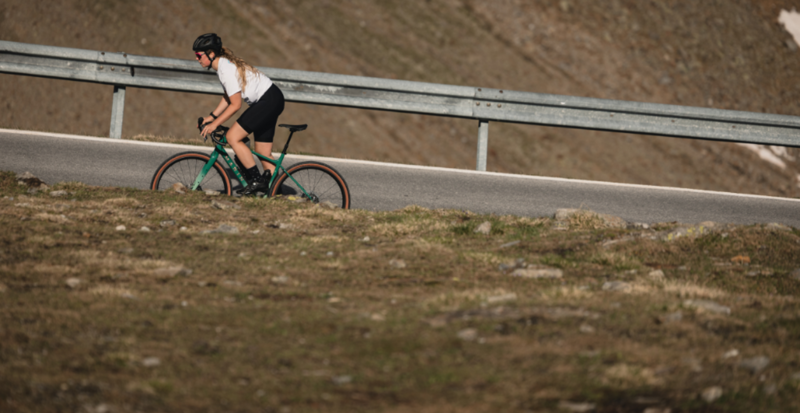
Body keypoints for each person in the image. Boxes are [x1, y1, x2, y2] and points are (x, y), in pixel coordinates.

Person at [193, 33, 285, 196]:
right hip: (271, 99)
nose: (197, 59)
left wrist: (214, 124)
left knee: (232, 137)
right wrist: (212, 116)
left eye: (198, 55)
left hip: (268, 100)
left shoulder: (225, 69)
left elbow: (236, 105)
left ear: (211, 54)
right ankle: (275, 194)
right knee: (264, 154)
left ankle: (256, 180)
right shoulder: (222, 66)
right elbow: (229, 96)